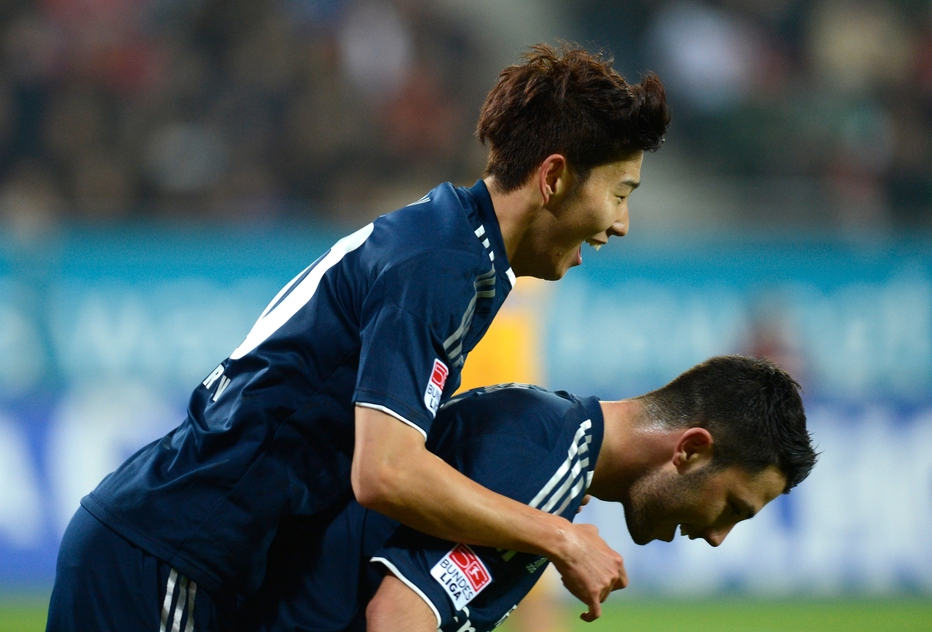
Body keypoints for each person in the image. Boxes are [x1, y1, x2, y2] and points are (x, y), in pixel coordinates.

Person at [46, 43, 671, 631]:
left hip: (186, 551)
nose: (621, 223)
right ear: (554, 177)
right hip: (171, 553)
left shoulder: (451, 246)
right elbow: (386, 472)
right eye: (618, 194)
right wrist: (556, 535)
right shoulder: (438, 265)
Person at [239, 355, 817, 632]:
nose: (717, 536)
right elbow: (399, 619)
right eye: (733, 508)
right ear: (690, 451)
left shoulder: (548, 430)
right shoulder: (547, 463)